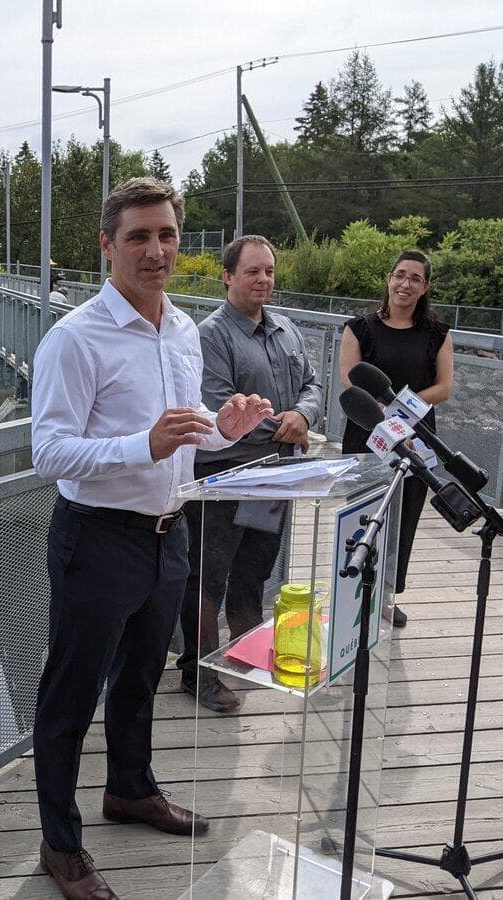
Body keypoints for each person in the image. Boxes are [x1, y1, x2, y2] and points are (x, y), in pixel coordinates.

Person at [31, 178, 274, 900]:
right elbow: (48, 452)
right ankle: (60, 844)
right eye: (138, 236)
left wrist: (222, 427)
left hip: (170, 533)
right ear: (107, 245)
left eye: (166, 234)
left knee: (140, 678)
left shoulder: (182, 330)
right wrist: (143, 444)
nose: (156, 250)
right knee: (70, 698)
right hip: (97, 538)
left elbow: (185, 426)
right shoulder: (74, 338)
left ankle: (130, 789)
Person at [176, 235, 323, 713]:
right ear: (227, 277)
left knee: (254, 571)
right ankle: (197, 673)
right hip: (226, 478)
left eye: (269, 272)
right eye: (252, 271)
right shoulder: (211, 335)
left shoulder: (286, 329)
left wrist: (303, 414)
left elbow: (313, 385)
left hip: (275, 475)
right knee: (207, 578)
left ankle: (243, 655)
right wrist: (288, 427)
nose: (263, 280)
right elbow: (219, 407)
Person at [338, 250, 452, 627]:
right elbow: (350, 379)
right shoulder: (359, 329)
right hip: (368, 431)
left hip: (416, 437)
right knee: (363, 513)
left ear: (425, 287)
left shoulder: (437, 334)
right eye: (400, 275)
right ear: (389, 279)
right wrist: (382, 412)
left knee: (404, 517)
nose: (405, 283)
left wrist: (400, 407)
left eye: (415, 278)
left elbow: (444, 387)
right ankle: (353, 591)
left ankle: (385, 595)